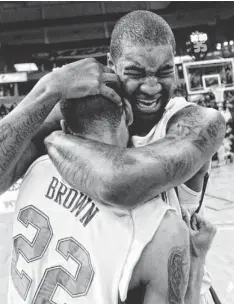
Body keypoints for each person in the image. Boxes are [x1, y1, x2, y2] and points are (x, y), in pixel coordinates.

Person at [0, 9, 225, 303]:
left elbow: (120, 183)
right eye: (135, 72)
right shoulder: (88, 107)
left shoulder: (196, 122)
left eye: (164, 71)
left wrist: (55, 137)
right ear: (111, 66)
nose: (151, 86)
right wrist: (50, 87)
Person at [7, 95, 211, 304]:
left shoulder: (35, 170)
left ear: (64, 127)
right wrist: (196, 259)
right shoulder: (161, 228)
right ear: (129, 115)